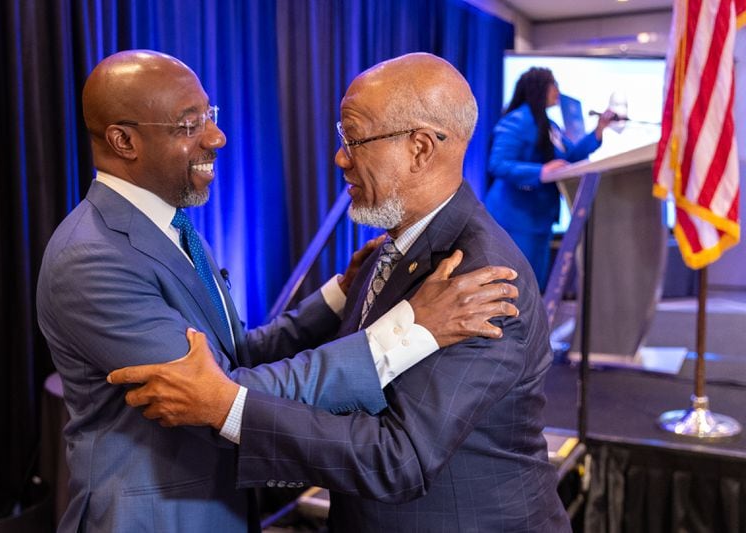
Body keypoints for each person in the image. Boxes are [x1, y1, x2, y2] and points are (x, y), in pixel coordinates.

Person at [36, 49, 521, 532]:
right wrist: (407, 330)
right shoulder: (92, 257)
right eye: (190, 125)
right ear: (124, 141)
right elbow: (212, 396)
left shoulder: (171, 223)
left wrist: (337, 296)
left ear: (419, 148)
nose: (217, 136)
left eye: (210, 115)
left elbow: (237, 361)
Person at [484, 67, 615, 291]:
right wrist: (540, 172)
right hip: (515, 219)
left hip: (539, 220)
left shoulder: (550, 125)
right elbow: (497, 163)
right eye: (553, 84)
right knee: (514, 288)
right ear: (538, 88)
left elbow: (570, 157)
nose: (558, 91)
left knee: (534, 287)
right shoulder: (518, 120)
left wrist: (599, 130)